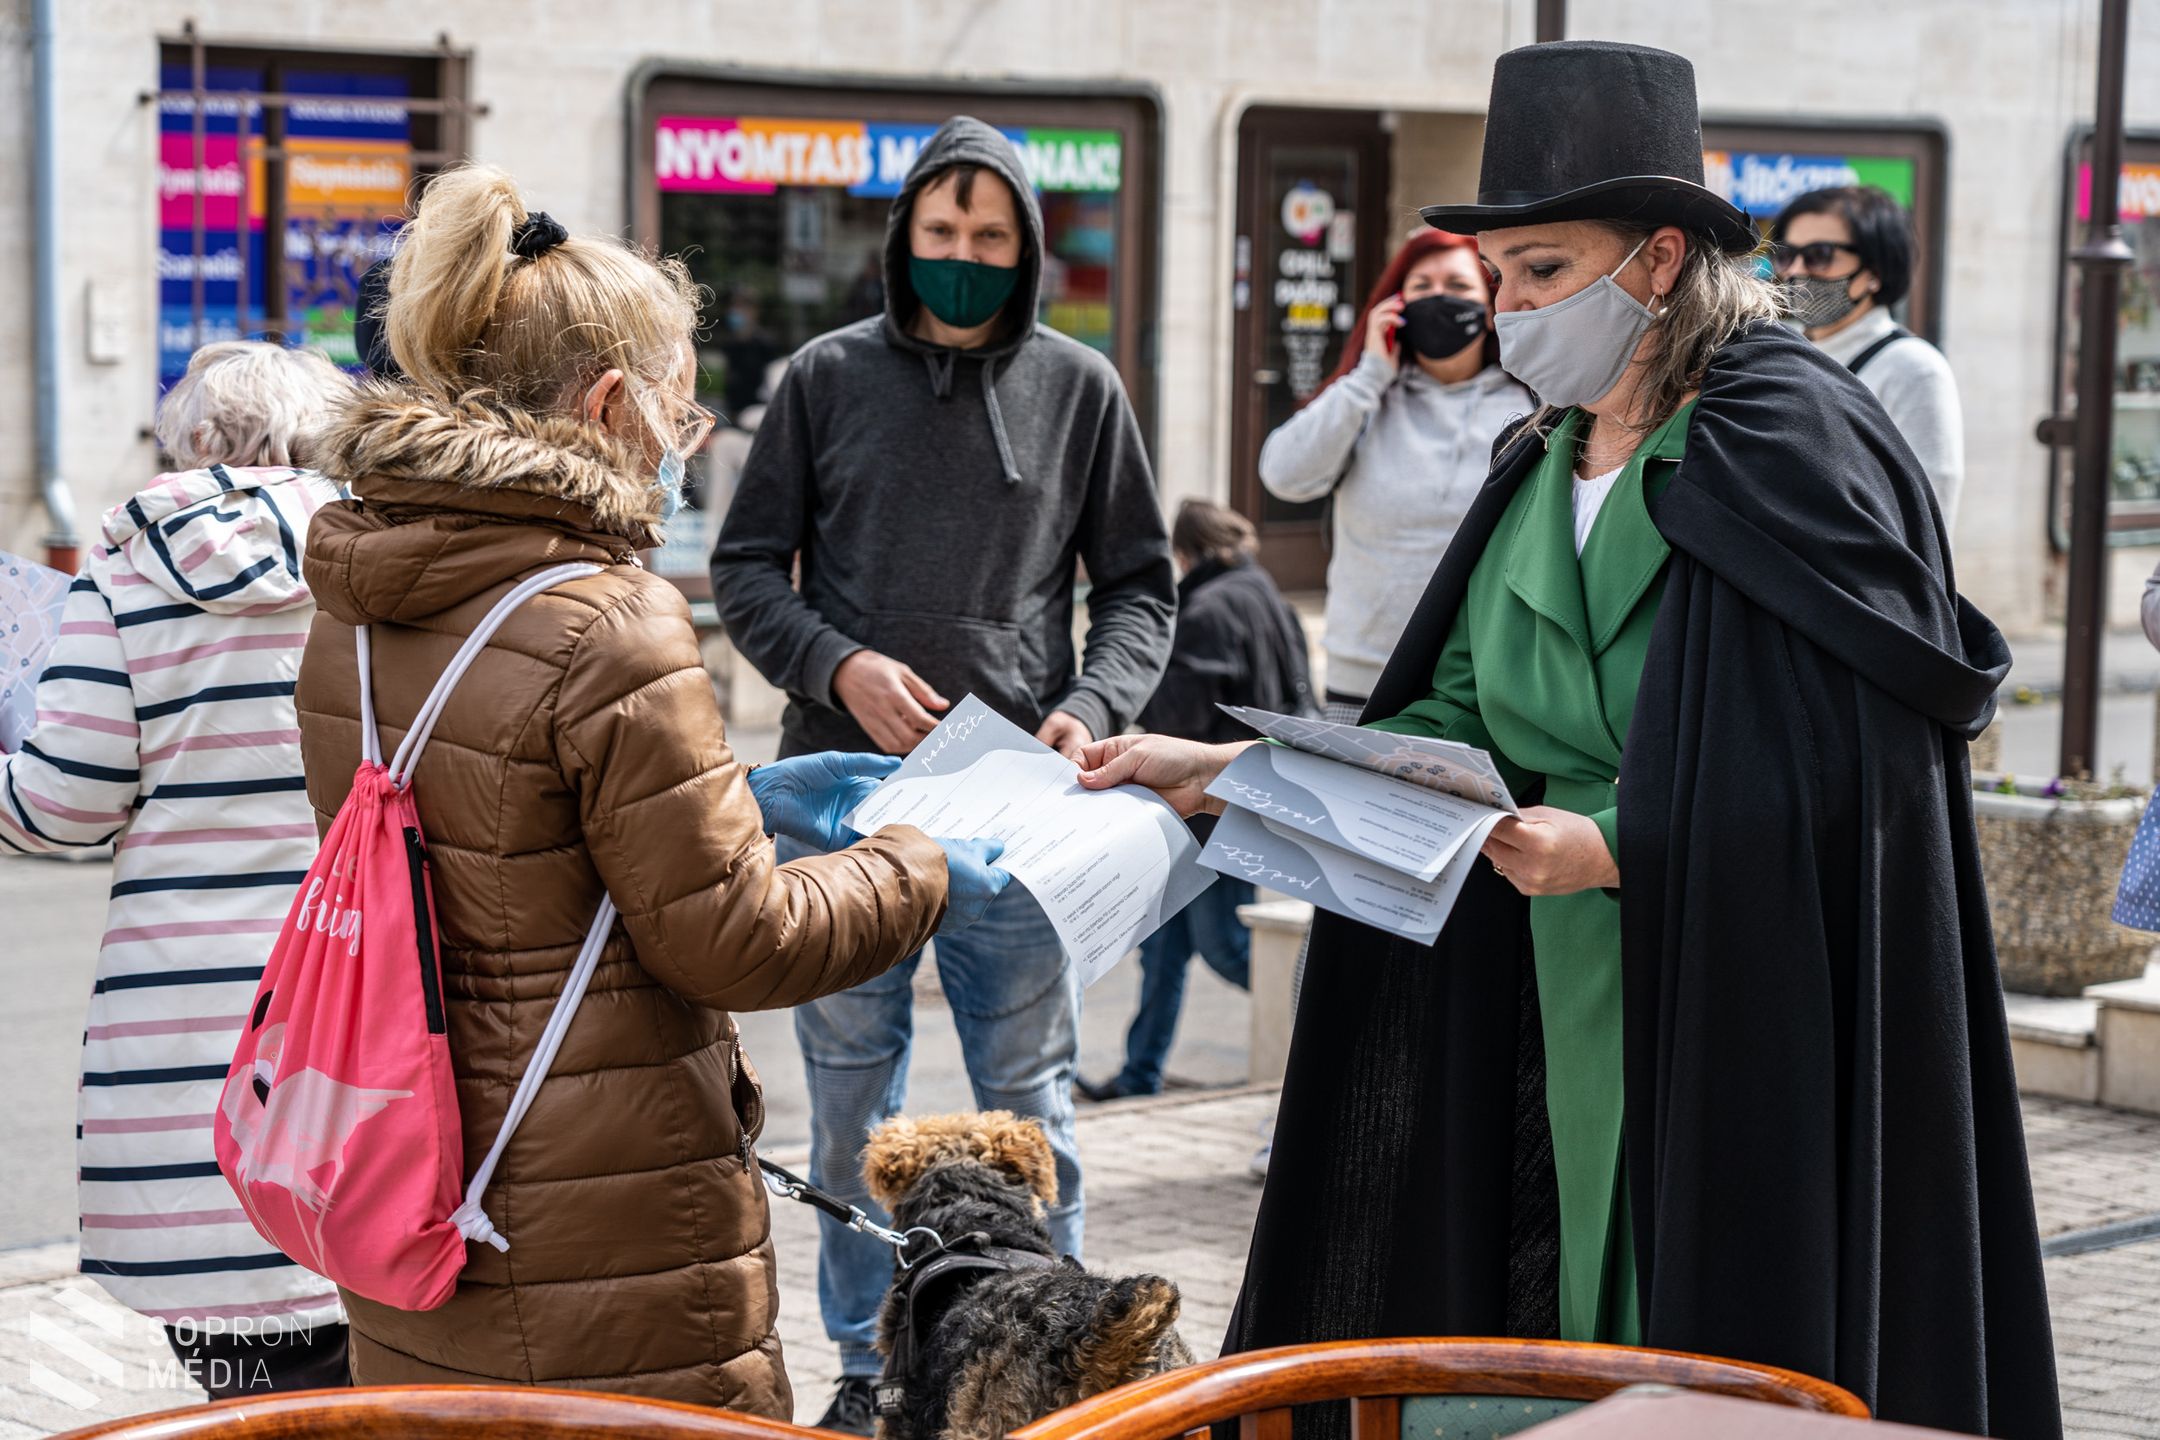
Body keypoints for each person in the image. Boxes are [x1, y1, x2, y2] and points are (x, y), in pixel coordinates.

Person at [1080, 42, 2059, 1440]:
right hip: (1535, 987)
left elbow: (1875, 766)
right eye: (1501, 281)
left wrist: (1628, 846)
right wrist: (1223, 770)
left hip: (1739, 997)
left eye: (1543, 273)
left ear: (1660, 260)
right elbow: (1449, 723)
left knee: (1708, 1351)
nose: (1512, 311)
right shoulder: (1534, 466)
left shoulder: (1793, 439)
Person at [293, 164, 1008, 1416]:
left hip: (416, 1184)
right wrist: (918, 854)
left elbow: (508, 843)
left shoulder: (357, 606)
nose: (694, 444)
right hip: (603, 1227)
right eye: (684, 415)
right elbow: (739, 942)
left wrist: (733, 790)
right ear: (616, 407)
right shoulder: (615, 617)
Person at [709, 115, 1175, 1432]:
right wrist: (833, 662)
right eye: (942, 234)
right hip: (842, 803)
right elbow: (744, 569)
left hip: (1020, 813)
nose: (964, 258)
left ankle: (1067, 1352)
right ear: (903, 237)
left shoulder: (1083, 389)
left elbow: (1141, 585)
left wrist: (1094, 705)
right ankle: (869, 1366)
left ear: (1027, 248)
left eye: (990, 238)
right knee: (854, 1096)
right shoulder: (820, 379)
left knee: (1031, 1102)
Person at [0, 341, 356, 1397]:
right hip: (361, 1002)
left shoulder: (128, 578)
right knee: (371, 1336)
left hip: (186, 1031)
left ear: (195, 443)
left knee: (245, 1380)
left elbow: (60, 807)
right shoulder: (378, 567)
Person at [1078, 501, 1315, 1103]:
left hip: (1205, 805)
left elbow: (1176, 722)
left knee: (1229, 948)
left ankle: (1321, 1015)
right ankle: (1139, 1073)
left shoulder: (1205, 612)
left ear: (1183, 552)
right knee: (1165, 945)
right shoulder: (1266, 594)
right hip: (1251, 786)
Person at [1259, 229, 1529, 721]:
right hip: (1360, 685)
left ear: (1492, 307)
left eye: (1457, 285)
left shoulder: (1530, 408)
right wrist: (1369, 376)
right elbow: (1283, 475)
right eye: (1420, 286)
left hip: (1481, 692)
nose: (1437, 298)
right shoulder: (1365, 401)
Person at [1771, 185, 1965, 532]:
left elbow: (1929, 517)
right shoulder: (1777, 353)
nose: (1797, 270)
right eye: (1787, 254)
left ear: (1874, 270)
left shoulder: (1914, 369)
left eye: (1821, 254)